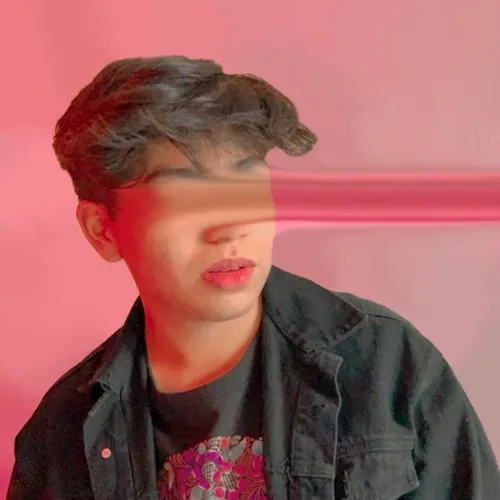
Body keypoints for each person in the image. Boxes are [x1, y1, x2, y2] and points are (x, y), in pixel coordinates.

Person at [7, 55, 499, 500]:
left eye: (246, 181)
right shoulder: (61, 434)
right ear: (103, 229)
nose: (230, 227)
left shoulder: (385, 363)